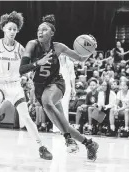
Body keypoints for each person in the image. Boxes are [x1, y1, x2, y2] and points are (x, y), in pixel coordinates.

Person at [0, 11, 52, 160]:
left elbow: (28, 66)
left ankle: (41, 147)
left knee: (26, 117)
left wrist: (32, 72)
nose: (12, 32)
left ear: (18, 30)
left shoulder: (21, 49)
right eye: (9, 29)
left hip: (15, 86)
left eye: (15, 29)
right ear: (3, 29)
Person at [19, 14, 99, 161]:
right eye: (39, 29)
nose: (40, 32)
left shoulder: (58, 47)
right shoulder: (32, 44)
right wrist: (38, 63)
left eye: (44, 29)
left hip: (56, 84)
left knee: (47, 102)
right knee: (64, 125)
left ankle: (68, 140)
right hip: (39, 88)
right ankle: (89, 144)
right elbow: (22, 69)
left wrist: (91, 49)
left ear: (52, 33)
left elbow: (80, 58)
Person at [53, 54, 76, 133]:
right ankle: (56, 128)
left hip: (67, 87)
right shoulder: (55, 63)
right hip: (57, 86)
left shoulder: (70, 63)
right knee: (56, 106)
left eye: (63, 53)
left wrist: (73, 88)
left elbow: (72, 76)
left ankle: (65, 128)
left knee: (64, 106)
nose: (62, 55)